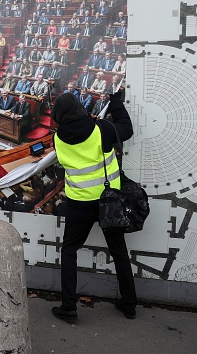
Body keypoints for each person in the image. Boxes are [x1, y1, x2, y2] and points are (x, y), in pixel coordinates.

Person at [50, 91, 137, 322]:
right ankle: (129, 305)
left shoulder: (57, 138)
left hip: (79, 202)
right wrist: (116, 104)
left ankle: (69, 307)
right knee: (118, 251)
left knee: (69, 251)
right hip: (108, 200)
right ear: (80, 106)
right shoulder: (102, 128)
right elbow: (126, 129)